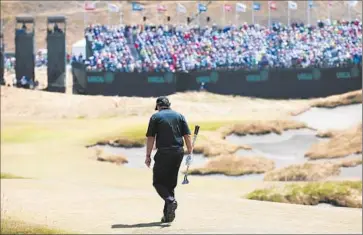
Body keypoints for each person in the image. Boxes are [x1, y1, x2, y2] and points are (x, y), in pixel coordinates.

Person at [145, 96, 193, 223]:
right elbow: (187, 136)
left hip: (164, 152)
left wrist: (148, 156)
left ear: (158, 106)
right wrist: (190, 152)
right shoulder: (179, 116)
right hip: (178, 152)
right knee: (170, 184)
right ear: (169, 105)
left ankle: (171, 201)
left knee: (158, 182)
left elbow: (151, 138)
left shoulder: (156, 117)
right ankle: (168, 216)